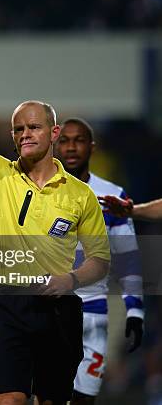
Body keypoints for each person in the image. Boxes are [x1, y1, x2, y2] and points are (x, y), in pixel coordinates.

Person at [0, 35, 110, 405]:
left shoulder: (80, 194)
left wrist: (71, 278)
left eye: (33, 127)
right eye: (18, 129)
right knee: (10, 400)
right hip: (8, 305)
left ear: (53, 133)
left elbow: (100, 261)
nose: (24, 135)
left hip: (60, 309)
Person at [55, 117, 144, 404]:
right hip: (49, 310)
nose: (71, 148)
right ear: (55, 147)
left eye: (78, 140)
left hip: (94, 312)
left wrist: (135, 309)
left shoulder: (112, 196)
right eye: (65, 141)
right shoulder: (37, 192)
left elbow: (129, 257)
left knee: (84, 398)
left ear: (91, 147)